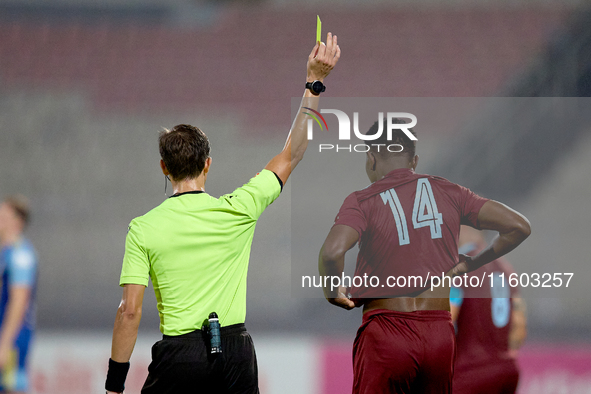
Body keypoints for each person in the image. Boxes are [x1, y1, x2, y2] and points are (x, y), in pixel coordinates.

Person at [105, 33, 341, 394]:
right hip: (235, 353)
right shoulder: (238, 209)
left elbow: (129, 312)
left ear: (164, 169)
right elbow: (292, 153)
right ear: (208, 164)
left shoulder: (143, 229)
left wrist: (114, 386)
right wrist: (315, 83)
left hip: (179, 356)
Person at [318, 121, 531, 394]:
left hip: (387, 330)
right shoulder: (453, 193)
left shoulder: (362, 200)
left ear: (371, 158)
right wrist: (472, 262)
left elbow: (332, 252)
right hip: (439, 338)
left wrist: (332, 291)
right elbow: (519, 227)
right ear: (414, 160)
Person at [450, 226, 527, 394]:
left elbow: (445, 323)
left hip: (469, 371)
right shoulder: (506, 269)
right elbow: (519, 328)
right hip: (506, 371)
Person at [0, 195, 38, 394]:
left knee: (11, 387)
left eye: (3, 216)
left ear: (17, 222)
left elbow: (19, 301)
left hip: (13, 339)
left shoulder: (21, 254)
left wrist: (5, 343)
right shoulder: (6, 252)